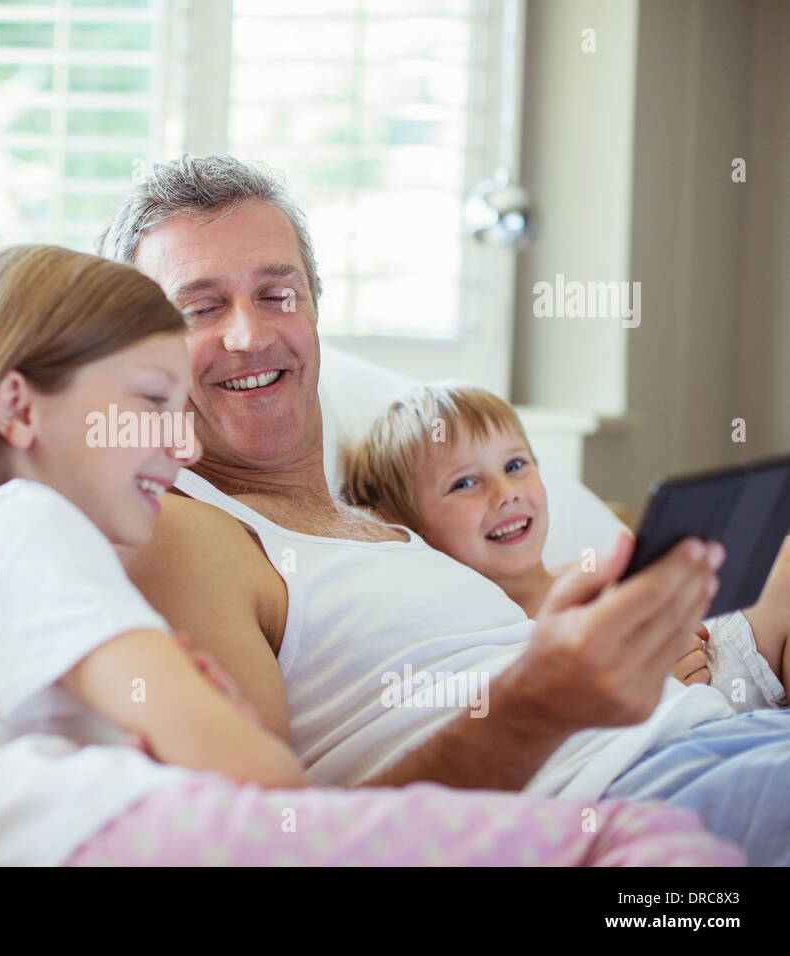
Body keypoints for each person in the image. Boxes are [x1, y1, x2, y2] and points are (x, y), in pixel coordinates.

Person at [0, 243, 739, 866]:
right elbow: (253, 780)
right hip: (171, 836)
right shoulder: (21, 523)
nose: (180, 448)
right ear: (19, 410)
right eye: (150, 402)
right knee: (646, 851)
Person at [94, 153, 790, 864]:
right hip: (638, 800)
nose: (251, 334)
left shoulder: (385, 521)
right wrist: (544, 699)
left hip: (722, 737)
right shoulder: (184, 534)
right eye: (201, 308)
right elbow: (283, 842)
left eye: (279, 295)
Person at [342, 380, 790, 711]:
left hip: (724, 652)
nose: (505, 492)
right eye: (464, 482)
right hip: (678, 707)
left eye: (515, 465)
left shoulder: (591, 571)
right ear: (405, 527)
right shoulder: (484, 635)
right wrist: (664, 689)